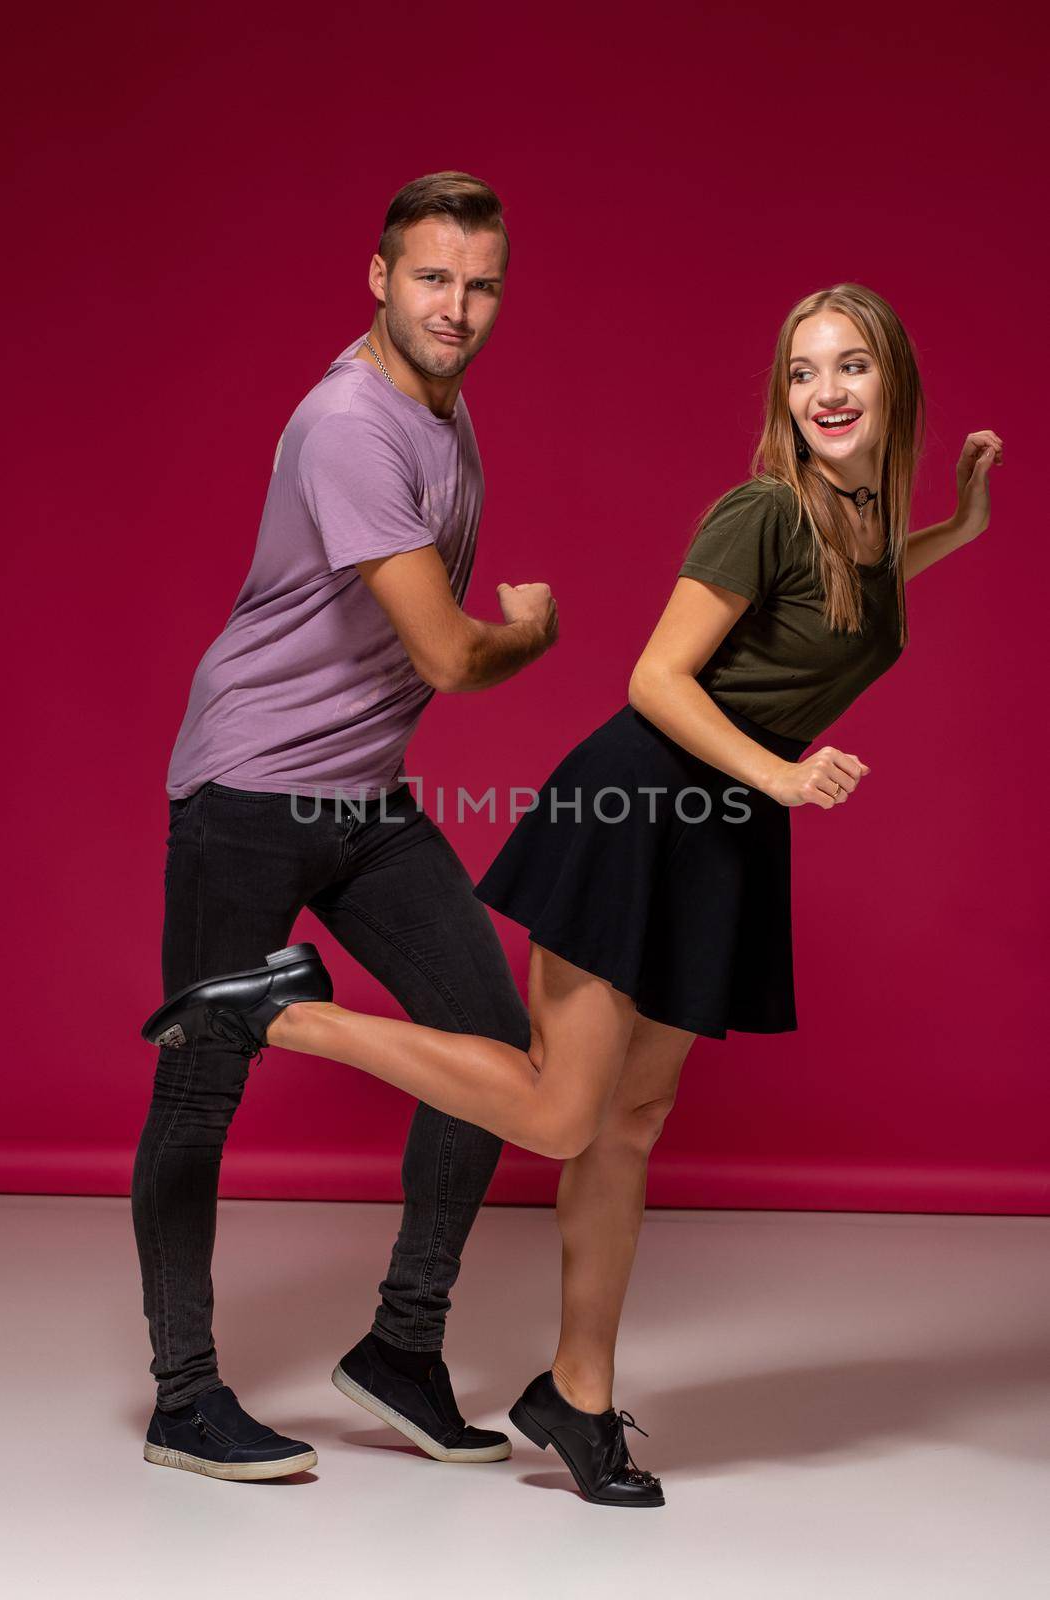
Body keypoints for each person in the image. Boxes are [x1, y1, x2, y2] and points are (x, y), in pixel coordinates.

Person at [143, 283, 1003, 1505]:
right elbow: (658, 677)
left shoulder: (854, 526)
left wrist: (954, 526)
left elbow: (854, 604)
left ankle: (579, 1397)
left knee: (630, 1129)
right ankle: (280, 1012)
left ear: (891, 384)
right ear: (781, 394)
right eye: (803, 371)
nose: (825, 392)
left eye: (850, 366)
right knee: (557, 1114)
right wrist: (781, 774)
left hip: (720, 831)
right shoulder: (762, 509)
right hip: (644, 807)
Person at [132, 170, 562, 1482]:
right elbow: (443, 655)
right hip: (249, 792)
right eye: (430, 279)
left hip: (361, 802)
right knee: (201, 1086)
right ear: (377, 279)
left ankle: (399, 1352)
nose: (456, 308)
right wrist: (526, 635)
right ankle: (183, 1399)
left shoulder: (439, 399)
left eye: (478, 283)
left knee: (487, 1043)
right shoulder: (348, 427)